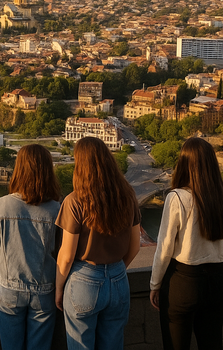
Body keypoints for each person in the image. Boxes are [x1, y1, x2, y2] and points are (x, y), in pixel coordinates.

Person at [149, 137, 223, 350]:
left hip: (184, 281)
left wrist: (155, 285)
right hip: (217, 280)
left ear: (184, 163)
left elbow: (164, 249)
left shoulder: (177, 198)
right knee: (212, 343)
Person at [55, 137, 141, 350]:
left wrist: (58, 288)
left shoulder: (74, 201)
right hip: (118, 278)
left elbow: (67, 255)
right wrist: (115, 271)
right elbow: (135, 246)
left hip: (84, 280)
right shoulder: (127, 196)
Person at [0, 143, 62, 350]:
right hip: (45, 288)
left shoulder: (1, 205)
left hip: (9, 287)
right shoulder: (57, 209)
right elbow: (62, 253)